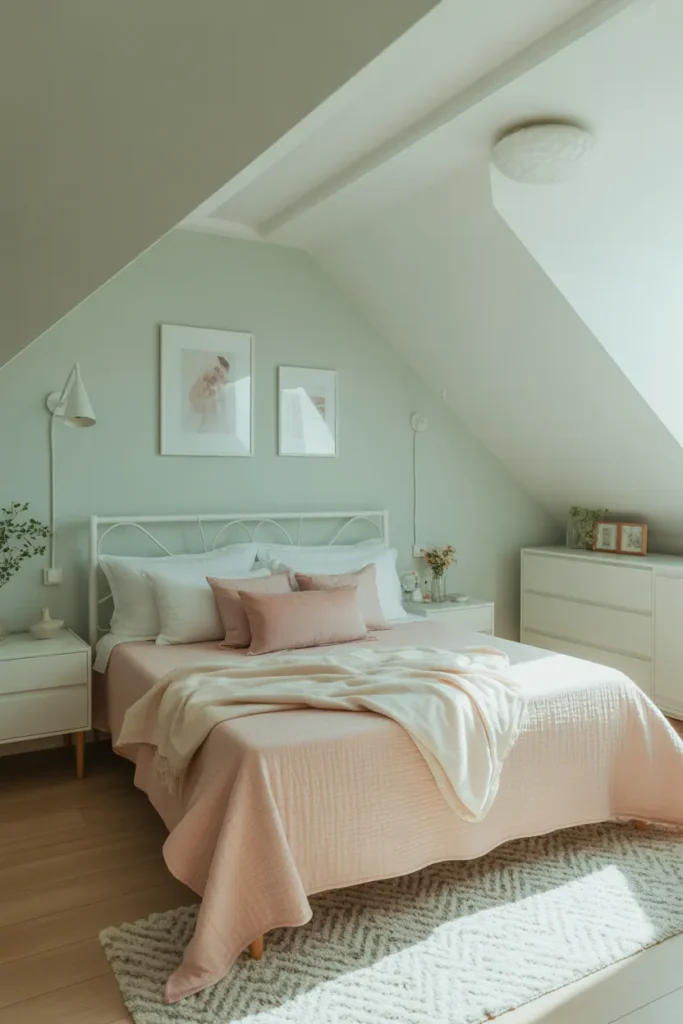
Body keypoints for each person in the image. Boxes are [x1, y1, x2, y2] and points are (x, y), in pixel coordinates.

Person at [188, 356, 230, 432]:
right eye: (216, 370)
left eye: (221, 376)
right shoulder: (201, 382)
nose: (217, 376)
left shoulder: (220, 396)